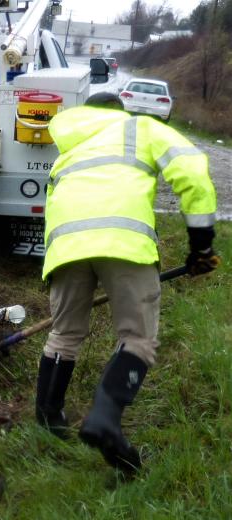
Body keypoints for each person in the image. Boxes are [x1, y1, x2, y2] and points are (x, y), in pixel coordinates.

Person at [34, 91, 219, 474]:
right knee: (137, 337)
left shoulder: (69, 149)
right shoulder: (141, 127)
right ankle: (104, 419)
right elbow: (193, 173)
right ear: (120, 111)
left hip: (64, 245)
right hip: (123, 240)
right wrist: (201, 247)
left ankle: (49, 419)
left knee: (64, 334)